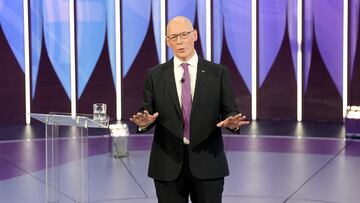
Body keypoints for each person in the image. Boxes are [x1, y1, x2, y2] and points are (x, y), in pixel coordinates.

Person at [130, 16, 249, 203]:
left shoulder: (217, 73)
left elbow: (230, 110)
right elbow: (147, 111)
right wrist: (144, 123)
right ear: (168, 41)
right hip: (167, 164)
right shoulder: (155, 75)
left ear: (195, 35)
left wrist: (232, 122)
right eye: (174, 36)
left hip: (208, 163)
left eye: (184, 35)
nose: (179, 41)